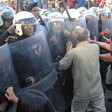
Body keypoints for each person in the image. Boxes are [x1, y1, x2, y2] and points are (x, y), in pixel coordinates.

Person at [58, 28, 106, 112]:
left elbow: (61, 67)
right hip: (97, 89)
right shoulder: (95, 47)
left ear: (75, 38)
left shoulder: (72, 52)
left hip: (82, 92)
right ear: (88, 36)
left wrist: (67, 52)